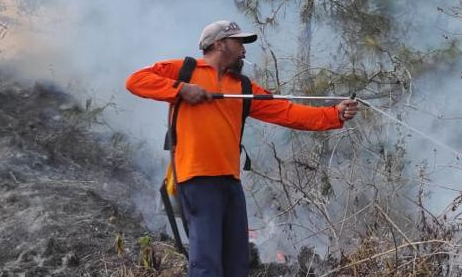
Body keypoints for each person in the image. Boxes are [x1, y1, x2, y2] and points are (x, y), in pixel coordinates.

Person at [126, 20, 359, 277]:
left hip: (231, 182)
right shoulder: (185, 70)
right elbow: (136, 80)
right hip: (196, 179)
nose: (244, 51)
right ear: (219, 44)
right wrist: (181, 90)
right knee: (206, 263)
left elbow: (287, 112)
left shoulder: (243, 87)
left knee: (237, 264)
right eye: (239, 43)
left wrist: (335, 115)